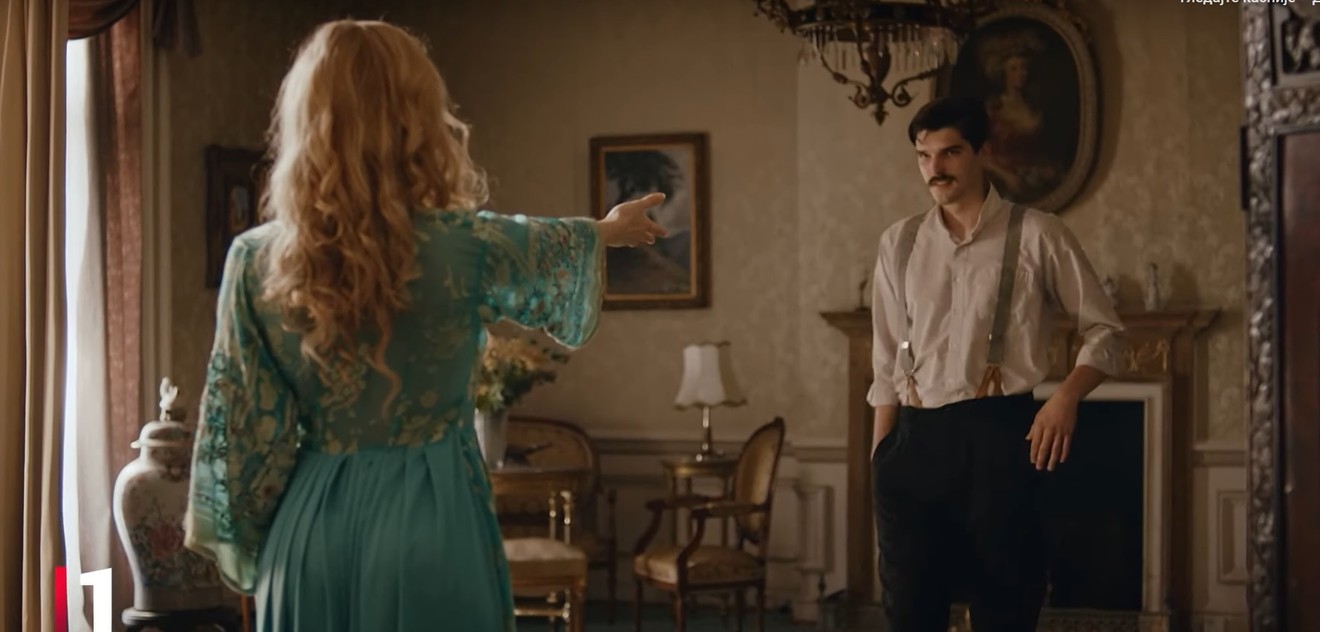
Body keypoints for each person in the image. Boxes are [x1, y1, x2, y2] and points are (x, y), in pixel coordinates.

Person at [181, 19, 666, 632]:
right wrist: (608, 230)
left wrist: (255, 542)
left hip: (310, 535)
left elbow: (240, 429)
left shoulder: (253, 260)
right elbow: (547, 245)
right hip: (432, 525)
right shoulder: (465, 246)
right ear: (419, 118)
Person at [866, 95, 1125, 632]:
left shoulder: (1038, 233)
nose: (935, 169)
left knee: (1004, 611)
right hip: (913, 444)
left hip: (1000, 442)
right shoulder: (899, 242)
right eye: (924, 156)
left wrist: (1065, 397)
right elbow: (886, 359)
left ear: (983, 152)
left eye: (950, 152)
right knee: (908, 616)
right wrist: (881, 460)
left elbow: (1107, 331)